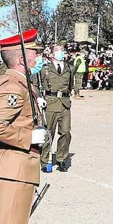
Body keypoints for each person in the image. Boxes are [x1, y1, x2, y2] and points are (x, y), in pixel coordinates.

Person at [0, 29, 47, 224]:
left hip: (14, 169)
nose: (38, 57)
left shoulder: (20, 84)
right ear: (21, 59)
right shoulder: (14, 87)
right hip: (13, 171)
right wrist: (29, 137)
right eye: (34, 53)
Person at [40, 44, 76, 172]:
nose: (61, 52)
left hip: (65, 103)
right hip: (50, 102)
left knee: (65, 132)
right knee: (49, 133)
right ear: (52, 54)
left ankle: (61, 159)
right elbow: (37, 84)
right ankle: (45, 161)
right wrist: (40, 98)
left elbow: (71, 85)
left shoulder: (70, 68)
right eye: (57, 51)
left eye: (62, 50)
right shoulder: (45, 69)